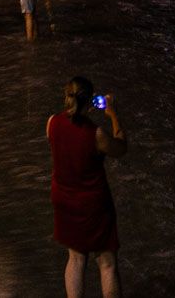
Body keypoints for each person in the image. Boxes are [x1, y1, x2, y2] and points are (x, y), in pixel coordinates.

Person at [47, 77, 127, 298]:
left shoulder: (52, 123)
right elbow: (121, 147)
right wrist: (113, 114)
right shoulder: (96, 134)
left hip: (63, 199)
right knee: (107, 263)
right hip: (93, 204)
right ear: (90, 101)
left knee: (75, 258)